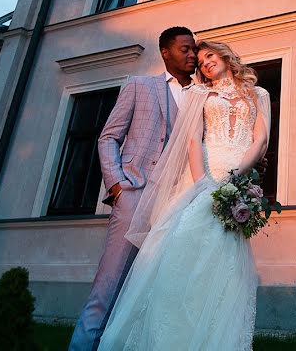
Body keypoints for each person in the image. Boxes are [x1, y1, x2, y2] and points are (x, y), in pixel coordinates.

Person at [97, 40, 271, 350]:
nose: (204, 63)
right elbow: (192, 140)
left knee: (224, 259)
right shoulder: (199, 94)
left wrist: (236, 180)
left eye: (209, 55)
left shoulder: (259, 95)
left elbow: (260, 141)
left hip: (236, 179)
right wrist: (204, 182)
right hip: (203, 177)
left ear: (225, 55)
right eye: (200, 60)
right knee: (182, 250)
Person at [68, 27, 198, 351]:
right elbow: (107, 136)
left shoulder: (201, 99)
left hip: (173, 206)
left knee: (148, 292)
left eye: (194, 49)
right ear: (166, 52)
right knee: (108, 286)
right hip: (134, 196)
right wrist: (117, 186)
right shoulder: (140, 86)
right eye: (185, 49)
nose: (192, 54)